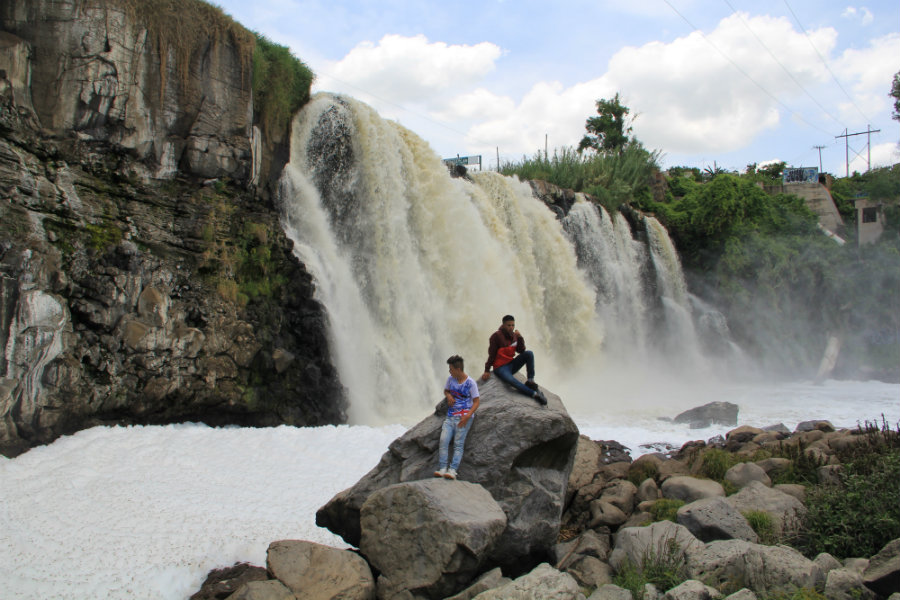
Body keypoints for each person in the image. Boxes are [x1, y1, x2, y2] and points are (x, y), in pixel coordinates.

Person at [481, 315, 548, 405]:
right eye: (509, 325)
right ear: (503, 325)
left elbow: (521, 351)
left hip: (511, 364)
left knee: (529, 354)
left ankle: (530, 381)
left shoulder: (514, 335)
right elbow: (491, 354)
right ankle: (534, 394)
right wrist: (487, 370)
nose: (511, 327)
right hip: (501, 368)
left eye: (513, 325)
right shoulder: (496, 336)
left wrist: (520, 337)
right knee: (512, 381)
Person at [434, 355, 480, 480]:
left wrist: (468, 416)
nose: (449, 371)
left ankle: (453, 470)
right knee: (443, 441)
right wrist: (448, 396)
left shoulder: (471, 383)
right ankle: (443, 468)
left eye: (451, 369)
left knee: (458, 444)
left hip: (463, 418)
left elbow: (476, 401)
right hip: (450, 416)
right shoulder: (450, 380)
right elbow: (446, 390)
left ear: (458, 369)